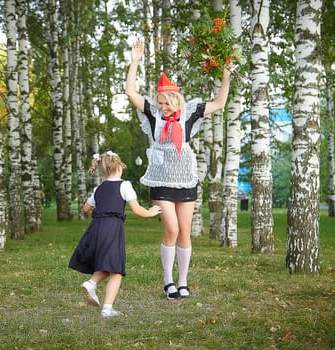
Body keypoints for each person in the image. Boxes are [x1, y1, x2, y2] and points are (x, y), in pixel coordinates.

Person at [125, 39, 232, 299]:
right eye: (159, 102)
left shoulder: (190, 112)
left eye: (165, 103)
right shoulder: (151, 113)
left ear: (175, 100)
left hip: (185, 177)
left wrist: (226, 75)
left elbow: (219, 103)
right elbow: (130, 92)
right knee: (171, 229)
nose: (162, 107)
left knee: (185, 231)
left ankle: (183, 283)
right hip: (161, 177)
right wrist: (134, 61)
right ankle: (167, 281)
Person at [69, 151, 162, 317]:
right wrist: (151, 211)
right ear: (119, 168)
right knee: (116, 270)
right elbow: (137, 210)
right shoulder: (124, 185)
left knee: (108, 264)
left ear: (102, 171)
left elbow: (85, 208)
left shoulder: (99, 188)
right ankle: (106, 307)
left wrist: (101, 206)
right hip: (112, 229)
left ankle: (92, 284)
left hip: (96, 228)